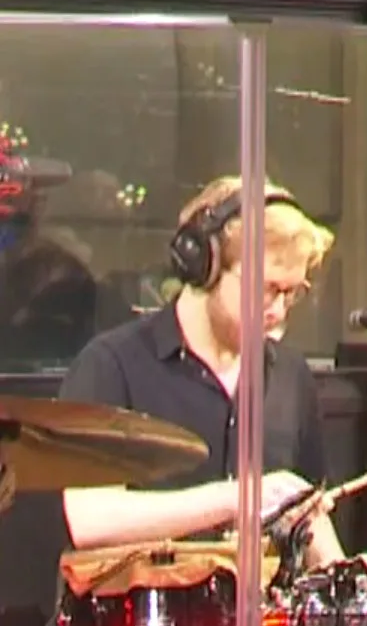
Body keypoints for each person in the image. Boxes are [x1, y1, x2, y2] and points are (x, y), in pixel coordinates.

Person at [57, 176, 346, 565]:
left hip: (263, 621)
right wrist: (234, 499)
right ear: (203, 268)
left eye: (292, 293)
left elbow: (309, 517)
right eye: (266, 288)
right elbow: (90, 518)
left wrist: (347, 590)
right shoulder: (111, 365)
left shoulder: (291, 376)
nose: (279, 311)